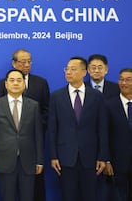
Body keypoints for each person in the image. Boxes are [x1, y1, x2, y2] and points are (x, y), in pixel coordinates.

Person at [48, 56, 108, 201]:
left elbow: (102, 127)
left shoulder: (96, 96)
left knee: (90, 196)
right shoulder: (56, 96)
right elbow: (52, 128)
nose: (68, 72)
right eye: (66, 69)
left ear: (84, 72)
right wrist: (53, 155)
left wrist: (102, 156)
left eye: (73, 69)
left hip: (90, 158)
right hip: (65, 158)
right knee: (68, 196)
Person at [0, 48, 49, 201]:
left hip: (32, 144)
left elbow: (47, 110)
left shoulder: (41, 83)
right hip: (9, 148)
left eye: (29, 61)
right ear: (14, 63)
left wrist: (37, 128)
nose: (27, 65)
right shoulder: (3, 84)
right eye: (23, 62)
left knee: (35, 190)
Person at [0, 69, 43, 201]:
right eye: (12, 80)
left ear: (24, 84)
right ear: (6, 84)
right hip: (4, 160)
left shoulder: (34, 106)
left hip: (28, 161)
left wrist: (39, 161)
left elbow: (38, 135)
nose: (15, 83)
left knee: (27, 197)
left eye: (19, 80)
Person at [87, 54, 120, 201]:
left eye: (100, 67)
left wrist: (107, 158)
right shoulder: (81, 89)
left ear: (106, 70)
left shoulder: (116, 89)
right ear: (87, 70)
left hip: (113, 145)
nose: (96, 70)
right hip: (87, 146)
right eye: (93, 67)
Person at [105, 68, 132, 201]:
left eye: (128, 80)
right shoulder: (109, 105)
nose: (124, 83)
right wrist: (107, 159)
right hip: (117, 163)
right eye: (121, 79)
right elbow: (104, 134)